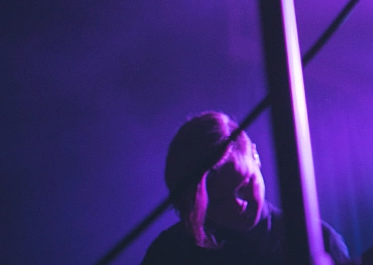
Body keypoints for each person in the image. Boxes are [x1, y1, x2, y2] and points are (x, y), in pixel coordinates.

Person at [141, 111, 351, 264]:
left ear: (255, 156)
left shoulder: (318, 240)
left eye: (243, 185)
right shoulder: (169, 254)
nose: (237, 204)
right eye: (219, 201)